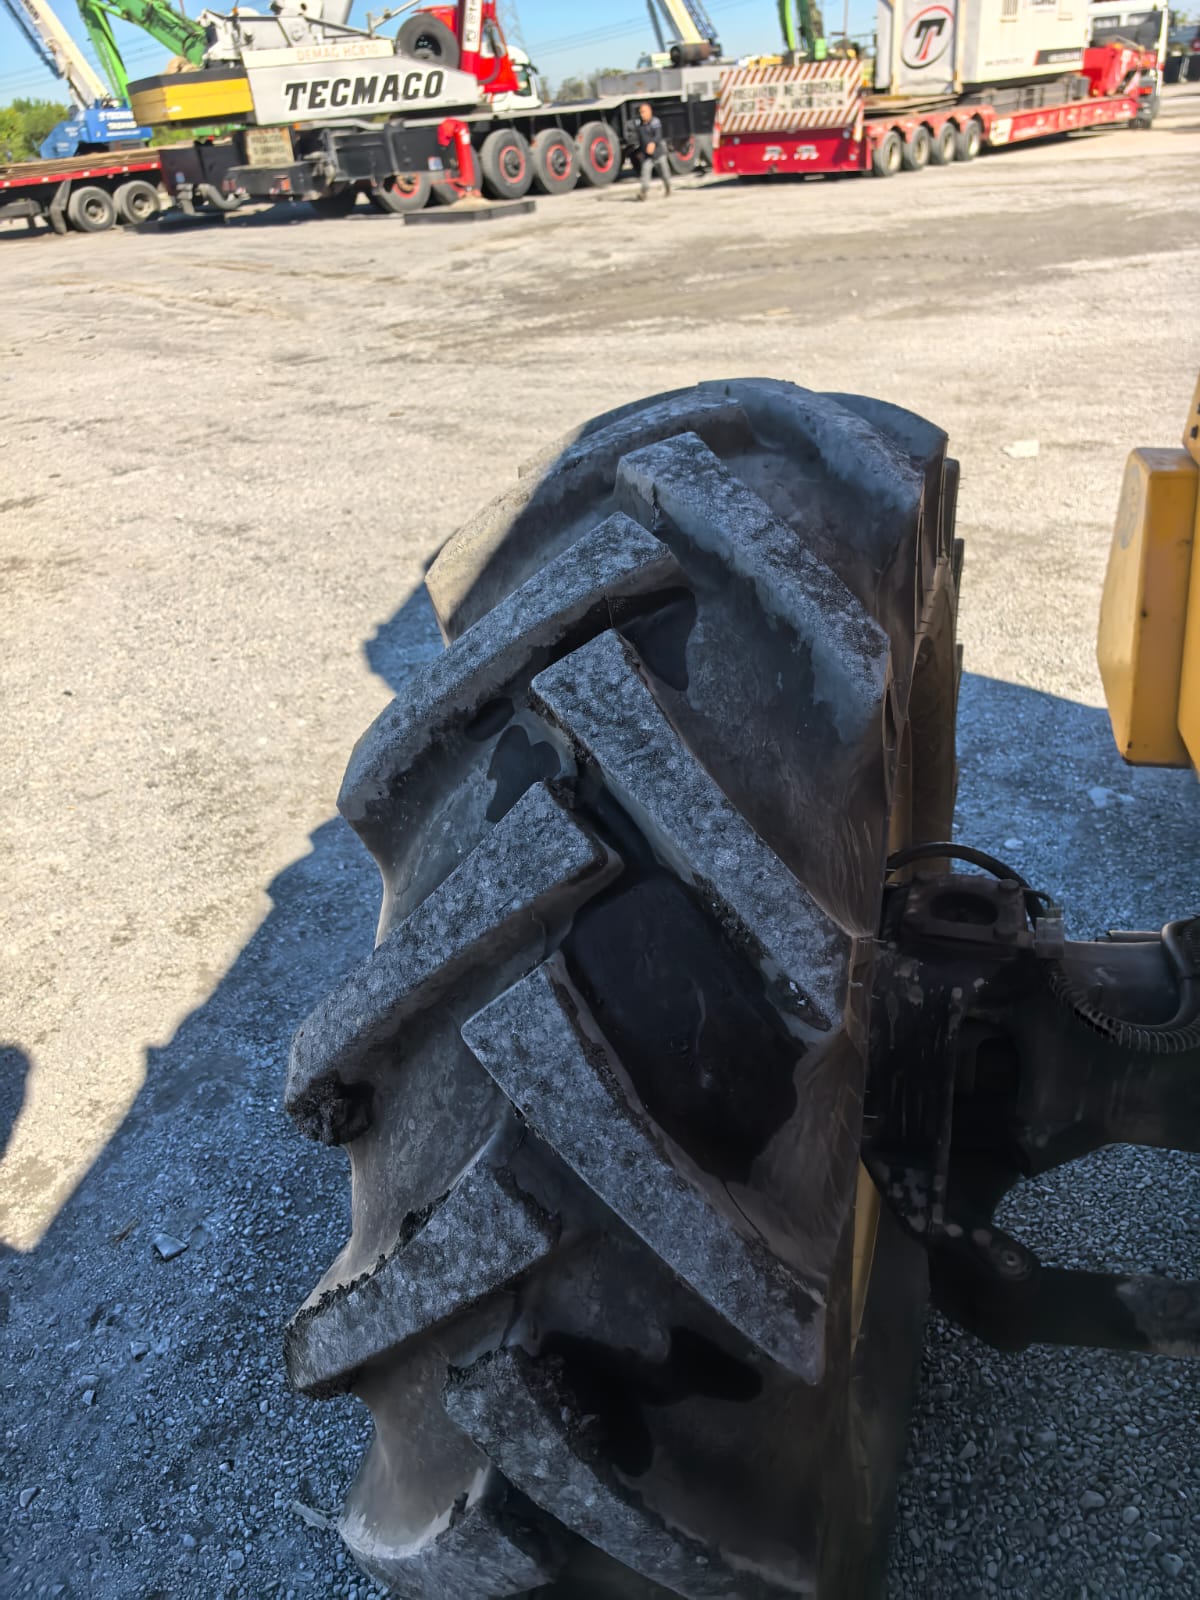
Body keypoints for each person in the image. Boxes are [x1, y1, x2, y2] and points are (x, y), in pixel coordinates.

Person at [635, 102, 672, 201]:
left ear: (649, 112)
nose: (642, 115)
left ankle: (668, 188)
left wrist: (653, 143)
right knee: (645, 174)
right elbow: (639, 139)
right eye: (641, 112)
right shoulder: (639, 124)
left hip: (659, 153)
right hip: (647, 156)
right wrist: (639, 151)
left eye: (644, 112)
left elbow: (658, 135)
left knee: (665, 174)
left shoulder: (655, 122)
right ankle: (643, 193)